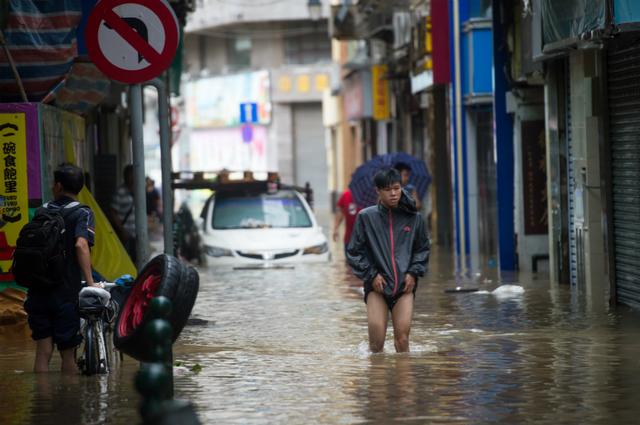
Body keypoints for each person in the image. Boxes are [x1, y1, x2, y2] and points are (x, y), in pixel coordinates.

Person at [23, 163, 98, 373]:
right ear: (79, 188)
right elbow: (81, 245)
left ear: (57, 186)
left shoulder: (41, 211)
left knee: (43, 351)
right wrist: (91, 283)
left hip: (37, 290)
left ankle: (43, 402)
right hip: (65, 293)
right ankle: (67, 403)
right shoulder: (83, 213)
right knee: (68, 355)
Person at [347, 168, 430, 353]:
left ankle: (404, 380)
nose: (393, 193)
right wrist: (372, 275)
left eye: (396, 188)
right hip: (377, 287)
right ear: (378, 191)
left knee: (402, 341)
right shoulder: (366, 217)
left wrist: (413, 273)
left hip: (404, 287)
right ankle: (378, 379)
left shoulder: (415, 219)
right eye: (387, 189)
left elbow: (422, 249)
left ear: (402, 187)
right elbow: (354, 252)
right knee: (376, 345)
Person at [109, 164, 136, 263]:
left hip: (136, 234)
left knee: (136, 259)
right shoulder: (120, 191)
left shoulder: (138, 191)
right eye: (130, 175)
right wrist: (122, 230)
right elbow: (113, 213)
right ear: (125, 176)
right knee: (125, 259)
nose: (132, 177)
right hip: (125, 234)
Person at [333, 188, 360, 252]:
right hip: (349, 239)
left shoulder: (371, 196)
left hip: (367, 241)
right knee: (349, 261)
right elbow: (340, 211)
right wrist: (336, 228)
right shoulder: (346, 195)